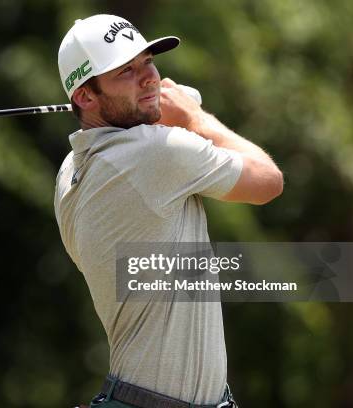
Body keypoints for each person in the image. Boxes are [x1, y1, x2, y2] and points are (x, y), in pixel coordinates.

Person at [54, 14, 283, 408]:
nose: (149, 78)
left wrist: (163, 113)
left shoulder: (70, 172)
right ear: (85, 97)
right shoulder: (154, 151)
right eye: (126, 71)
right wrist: (194, 118)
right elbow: (268, 181)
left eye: (147, 62)